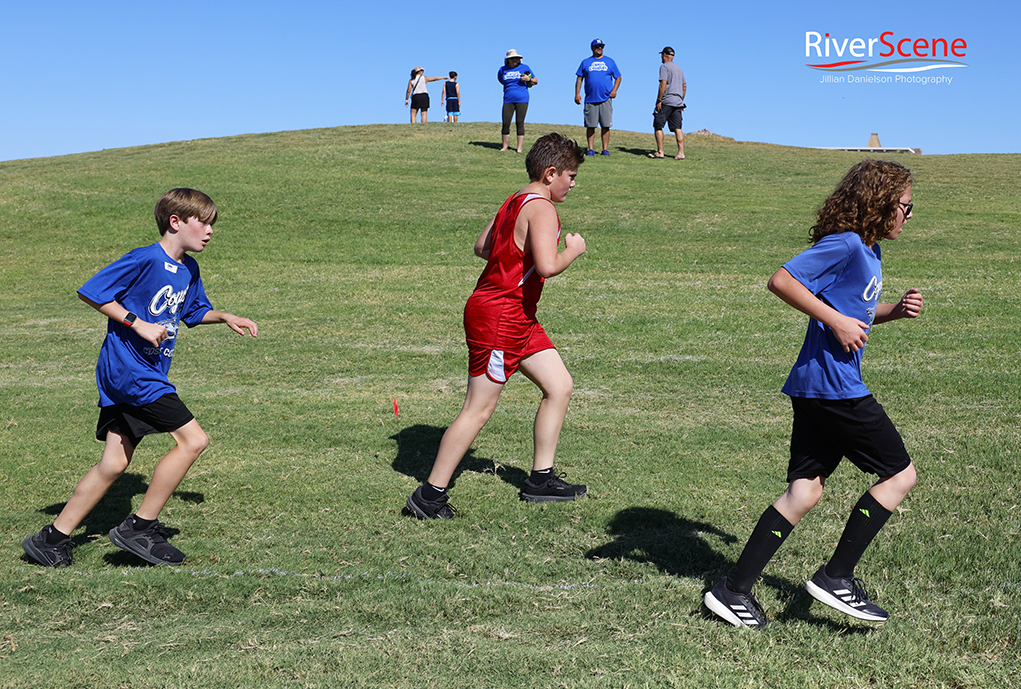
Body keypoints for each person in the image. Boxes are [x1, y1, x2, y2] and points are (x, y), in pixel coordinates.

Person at [704, 160, 923, 628]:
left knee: (803, 492)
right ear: (882, 202)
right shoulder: (845, 244)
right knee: (900, 475)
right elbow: (782, 280)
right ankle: (836, 577)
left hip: (817, 387)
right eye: (906, 205)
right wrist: (834, 321)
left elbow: (854, 312)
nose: (909, 214)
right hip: (834, 388)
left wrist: (893, 312)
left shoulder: (870, 250)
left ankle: (732, 590)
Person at [22, 189, 259, 568]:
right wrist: (138, 323)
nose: (211, 231)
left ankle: (51, 538)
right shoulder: (146, 258)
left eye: (214, 224)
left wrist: (226, 317)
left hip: (140, 372)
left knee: (114, 464)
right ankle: (139, 527)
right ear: (176, 222)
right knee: (193, 440)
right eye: (205, 222)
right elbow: (93, 292)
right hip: (131, 371)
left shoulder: (188, 269)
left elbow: (196, 312)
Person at [406, 133, 588, 519]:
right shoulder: (542, 209)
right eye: (570, 176)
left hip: (517, 315)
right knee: (479, 408)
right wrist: (572, 250)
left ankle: (541, 480)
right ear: (550, 172)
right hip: (500, 317)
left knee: (560, 386)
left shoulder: (514, 200)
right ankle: (429, 496)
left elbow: (482, 246)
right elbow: (547, 265)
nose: (573, 184)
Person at [575, 38, 622, 156]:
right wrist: (577, 93)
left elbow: (618, 77)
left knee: (606, 125)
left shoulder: (610, 62)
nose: (599, 48)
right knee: (590, 125)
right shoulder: (585, 62)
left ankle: (605, 149)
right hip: (590, 99)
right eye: (597, 47)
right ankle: (591, 149)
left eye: (601, 46)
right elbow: (579, 78)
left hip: (605, 98)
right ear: (592, 48)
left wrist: (614, 90)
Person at [649, 47, 686, 160]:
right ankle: (681, 152)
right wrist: (681, 100)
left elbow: (663, 84)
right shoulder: (679, 69)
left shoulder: (664, 67)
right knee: (677, 127)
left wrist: (659, 100)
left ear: (664, 55)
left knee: (658, 125)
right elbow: (684, 86)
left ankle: (660, 151)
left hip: (667, 101)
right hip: (678, 102)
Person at [497, 49, 537, 152]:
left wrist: (529, 80)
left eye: (516, 58)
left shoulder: (525, 68)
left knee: (520, 122)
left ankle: (519, 148)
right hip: (508, 99)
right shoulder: (502, 69)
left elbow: (536, 81)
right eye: (512, 58)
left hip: (522, 98)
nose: (514, 60)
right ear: (508, 60)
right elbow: (501, 79)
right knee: (506, 122)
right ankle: (505, 146)